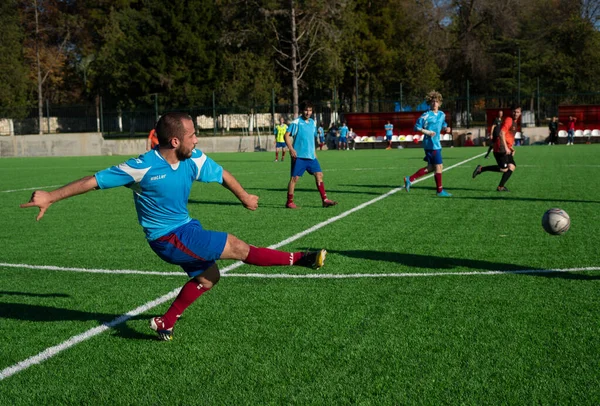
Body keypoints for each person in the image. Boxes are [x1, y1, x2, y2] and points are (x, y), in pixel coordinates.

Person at [20, 112, 327, 341]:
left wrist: (244, 195)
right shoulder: (141, 167)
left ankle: (165, 322)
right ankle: (303, 258)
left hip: (184, 227)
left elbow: (222, 175)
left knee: (208, 278)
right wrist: (50, 196)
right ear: (176, 140)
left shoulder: (193, 158)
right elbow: (93, 182)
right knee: (238, 248)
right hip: (167, 238)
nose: (197, 139)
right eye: (193, 135)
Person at [284, 101, 338, 209]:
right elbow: (286, 135)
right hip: (299, 156)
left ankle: (325, 200)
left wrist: (314, 152)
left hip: (311, 157)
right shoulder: (297, 122)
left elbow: (311, 139)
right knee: (294, 179)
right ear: (301, 111)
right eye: (306, 110)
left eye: (310, 110)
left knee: (319, 175)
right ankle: (289, 202)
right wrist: (291, 149)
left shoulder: (313, 123)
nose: (308, 112)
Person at [403, 91, 452, 197]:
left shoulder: (442, 114)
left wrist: (446, 128)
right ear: (430, 103)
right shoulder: (426, 115)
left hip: (436, 143)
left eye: (436, 102)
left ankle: (409, 179)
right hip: (430, 144)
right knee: (439, 166)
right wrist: (428, 132)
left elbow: (443, 124)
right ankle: (439, 191)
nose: (435, 103)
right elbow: (416, 127)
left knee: (431, 167)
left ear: (440, 103)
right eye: (433, 102)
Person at [472, 105, 521, 192]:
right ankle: (481, 169)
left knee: (512, 166)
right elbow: (501, 133)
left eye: (517, 112)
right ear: (511, 112)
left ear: (520, 113)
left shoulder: (515, 121)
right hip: (500, 148)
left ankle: (500, 187)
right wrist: (506, 148)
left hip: (505, 147)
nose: (516, 113)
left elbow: (507, 136)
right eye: (514, 111)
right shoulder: (509, 120)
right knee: (504, 169)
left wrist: (510, 147)